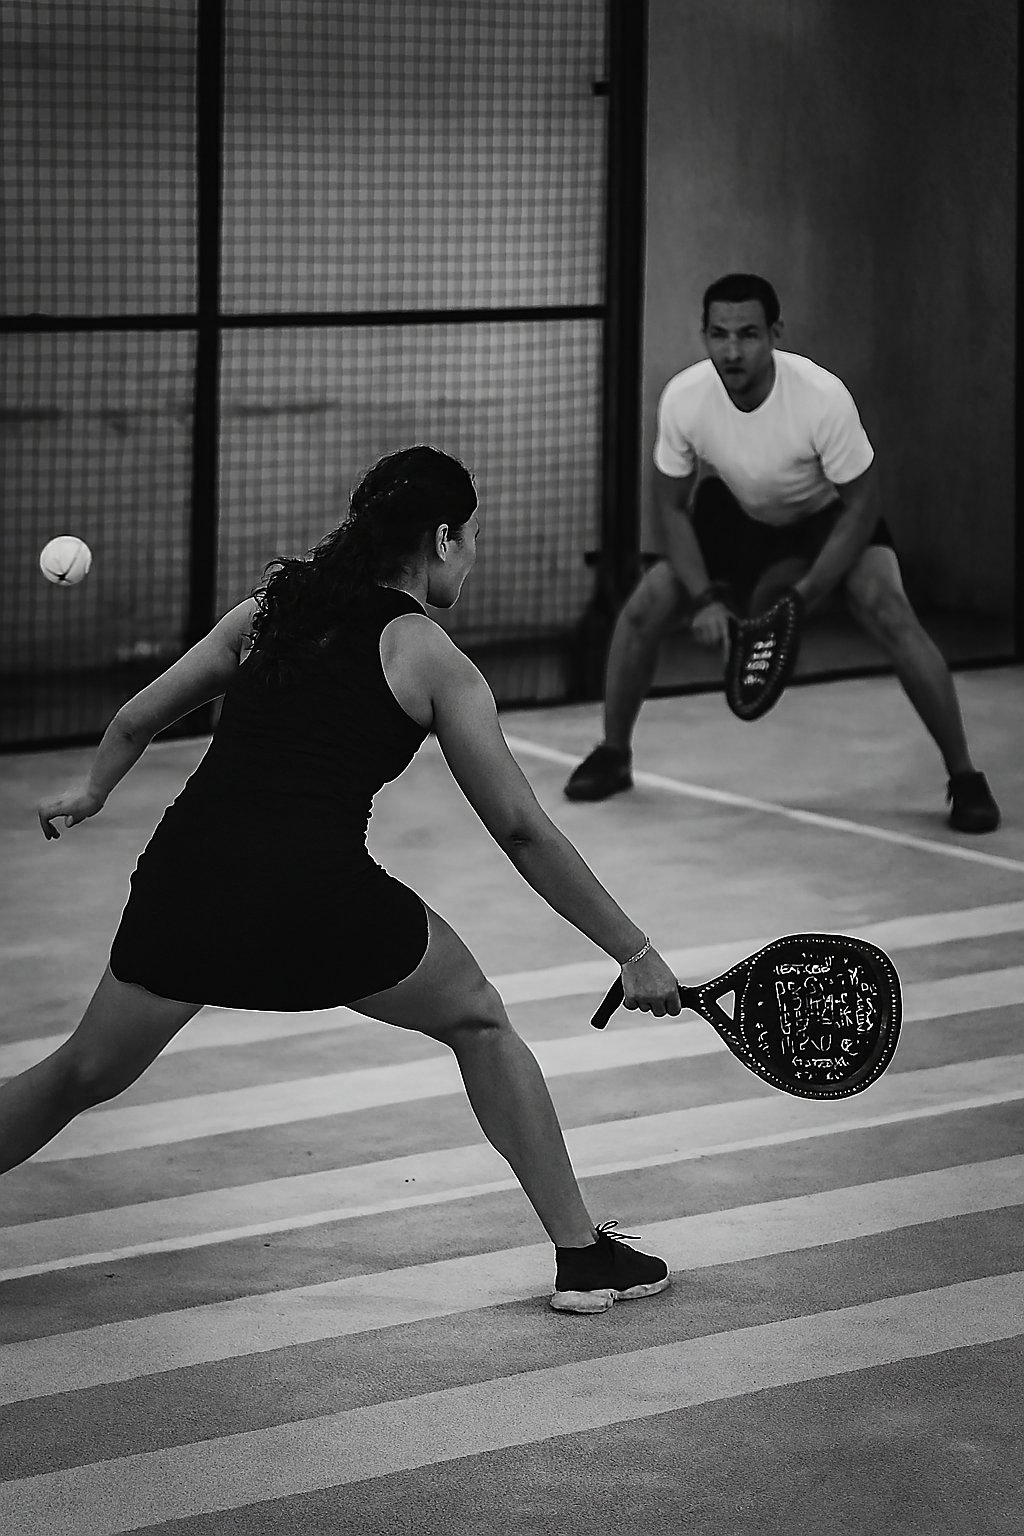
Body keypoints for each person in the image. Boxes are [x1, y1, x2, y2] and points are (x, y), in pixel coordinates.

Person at [2, 445, 682, 1315]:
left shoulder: (269, 610)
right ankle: (582, 1257)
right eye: (472, 537)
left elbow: (137, 718)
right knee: (478, 1020)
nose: (472, 553)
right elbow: (520, 830)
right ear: (441, 540)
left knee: (80, 1072)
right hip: (312, 900)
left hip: (188, 878)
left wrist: (93, 791)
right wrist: (632, 950)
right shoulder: (431, 658)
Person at [565, 273, 1000, 835]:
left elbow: (863, 505)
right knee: (643, 609)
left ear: (775, 333)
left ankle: (965, 776)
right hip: (738, 519)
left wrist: (802, 596)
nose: (732, 350)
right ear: (703, 334)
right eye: (719, 334)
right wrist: (705, 598)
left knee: (890, 611)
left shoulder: (821, 397)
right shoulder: (685, 397)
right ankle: (613, 753)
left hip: (826, 520)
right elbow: (671, 507)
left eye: (748, 334)